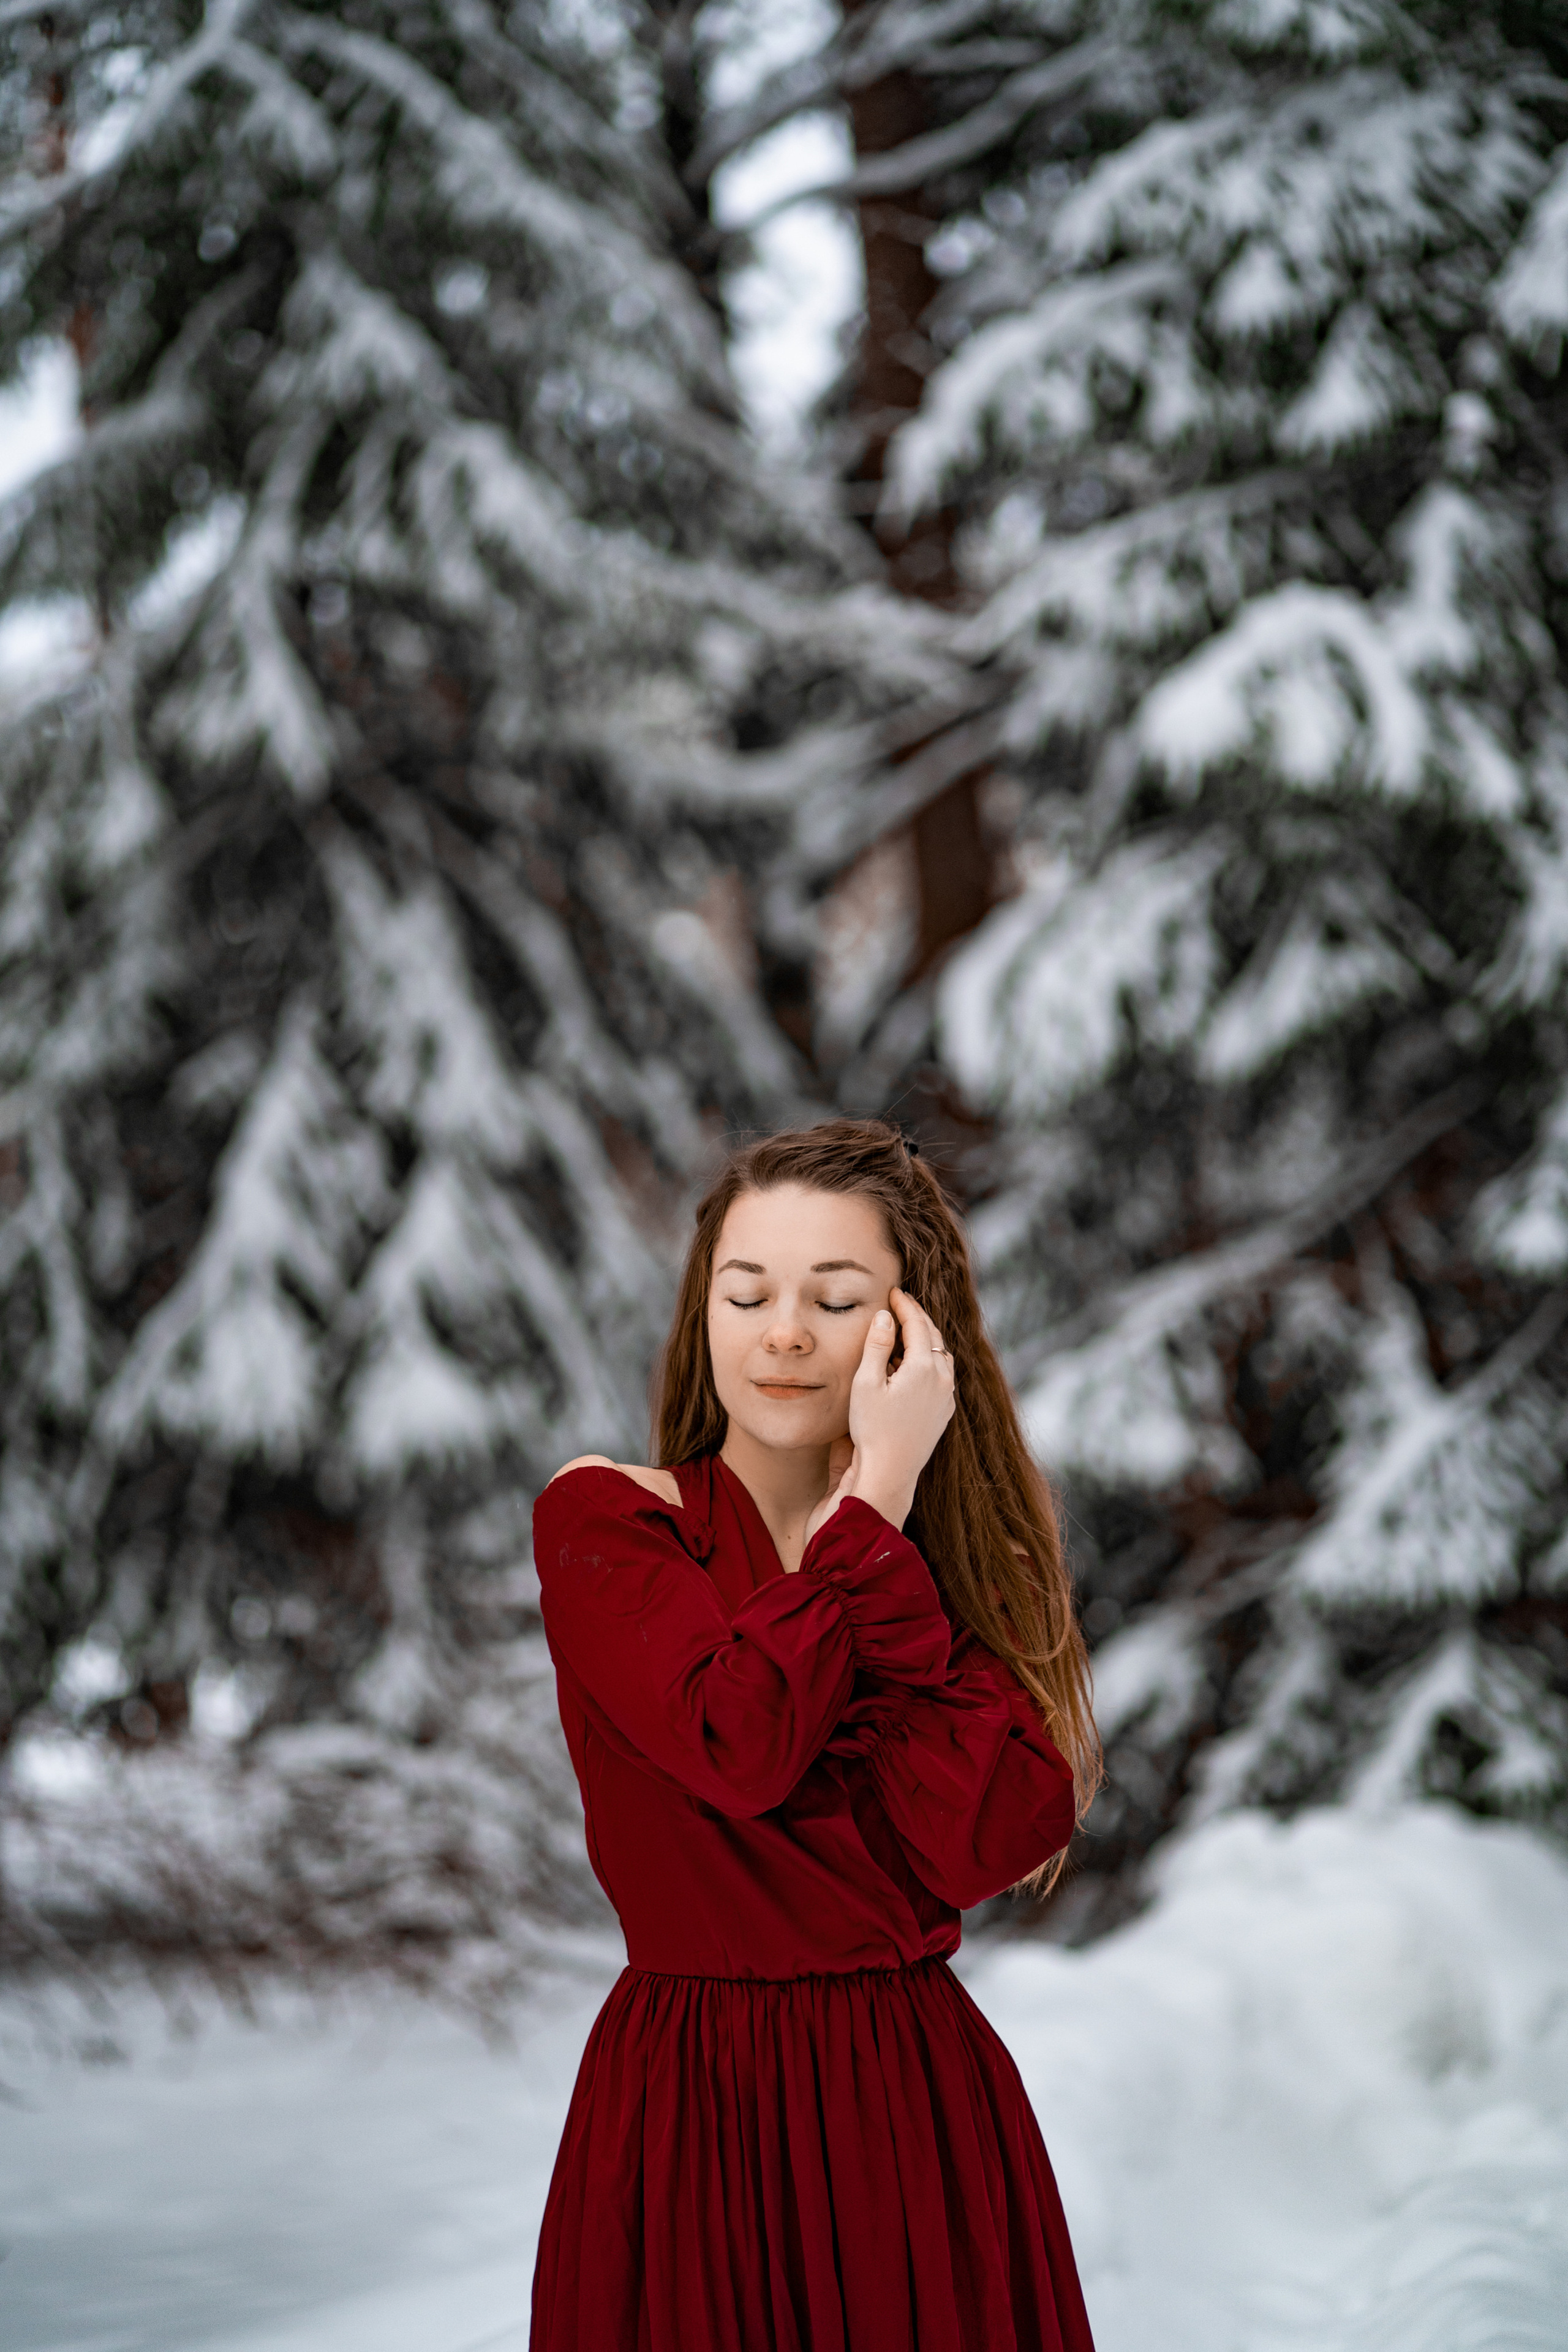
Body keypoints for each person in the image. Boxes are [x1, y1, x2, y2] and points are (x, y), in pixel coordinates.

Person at [530, 1119, 1101, 2351]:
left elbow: (988, 1834)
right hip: (687, 2108)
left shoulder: (940, 1572)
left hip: (909, 2107)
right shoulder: (609, 1524)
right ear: (705, 1315)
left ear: (907, 1337)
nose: (781, 1330)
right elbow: (736, 1741)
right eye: (746, 1293)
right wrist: (873, 1507)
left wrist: (884, 1542)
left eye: (833, 1299)